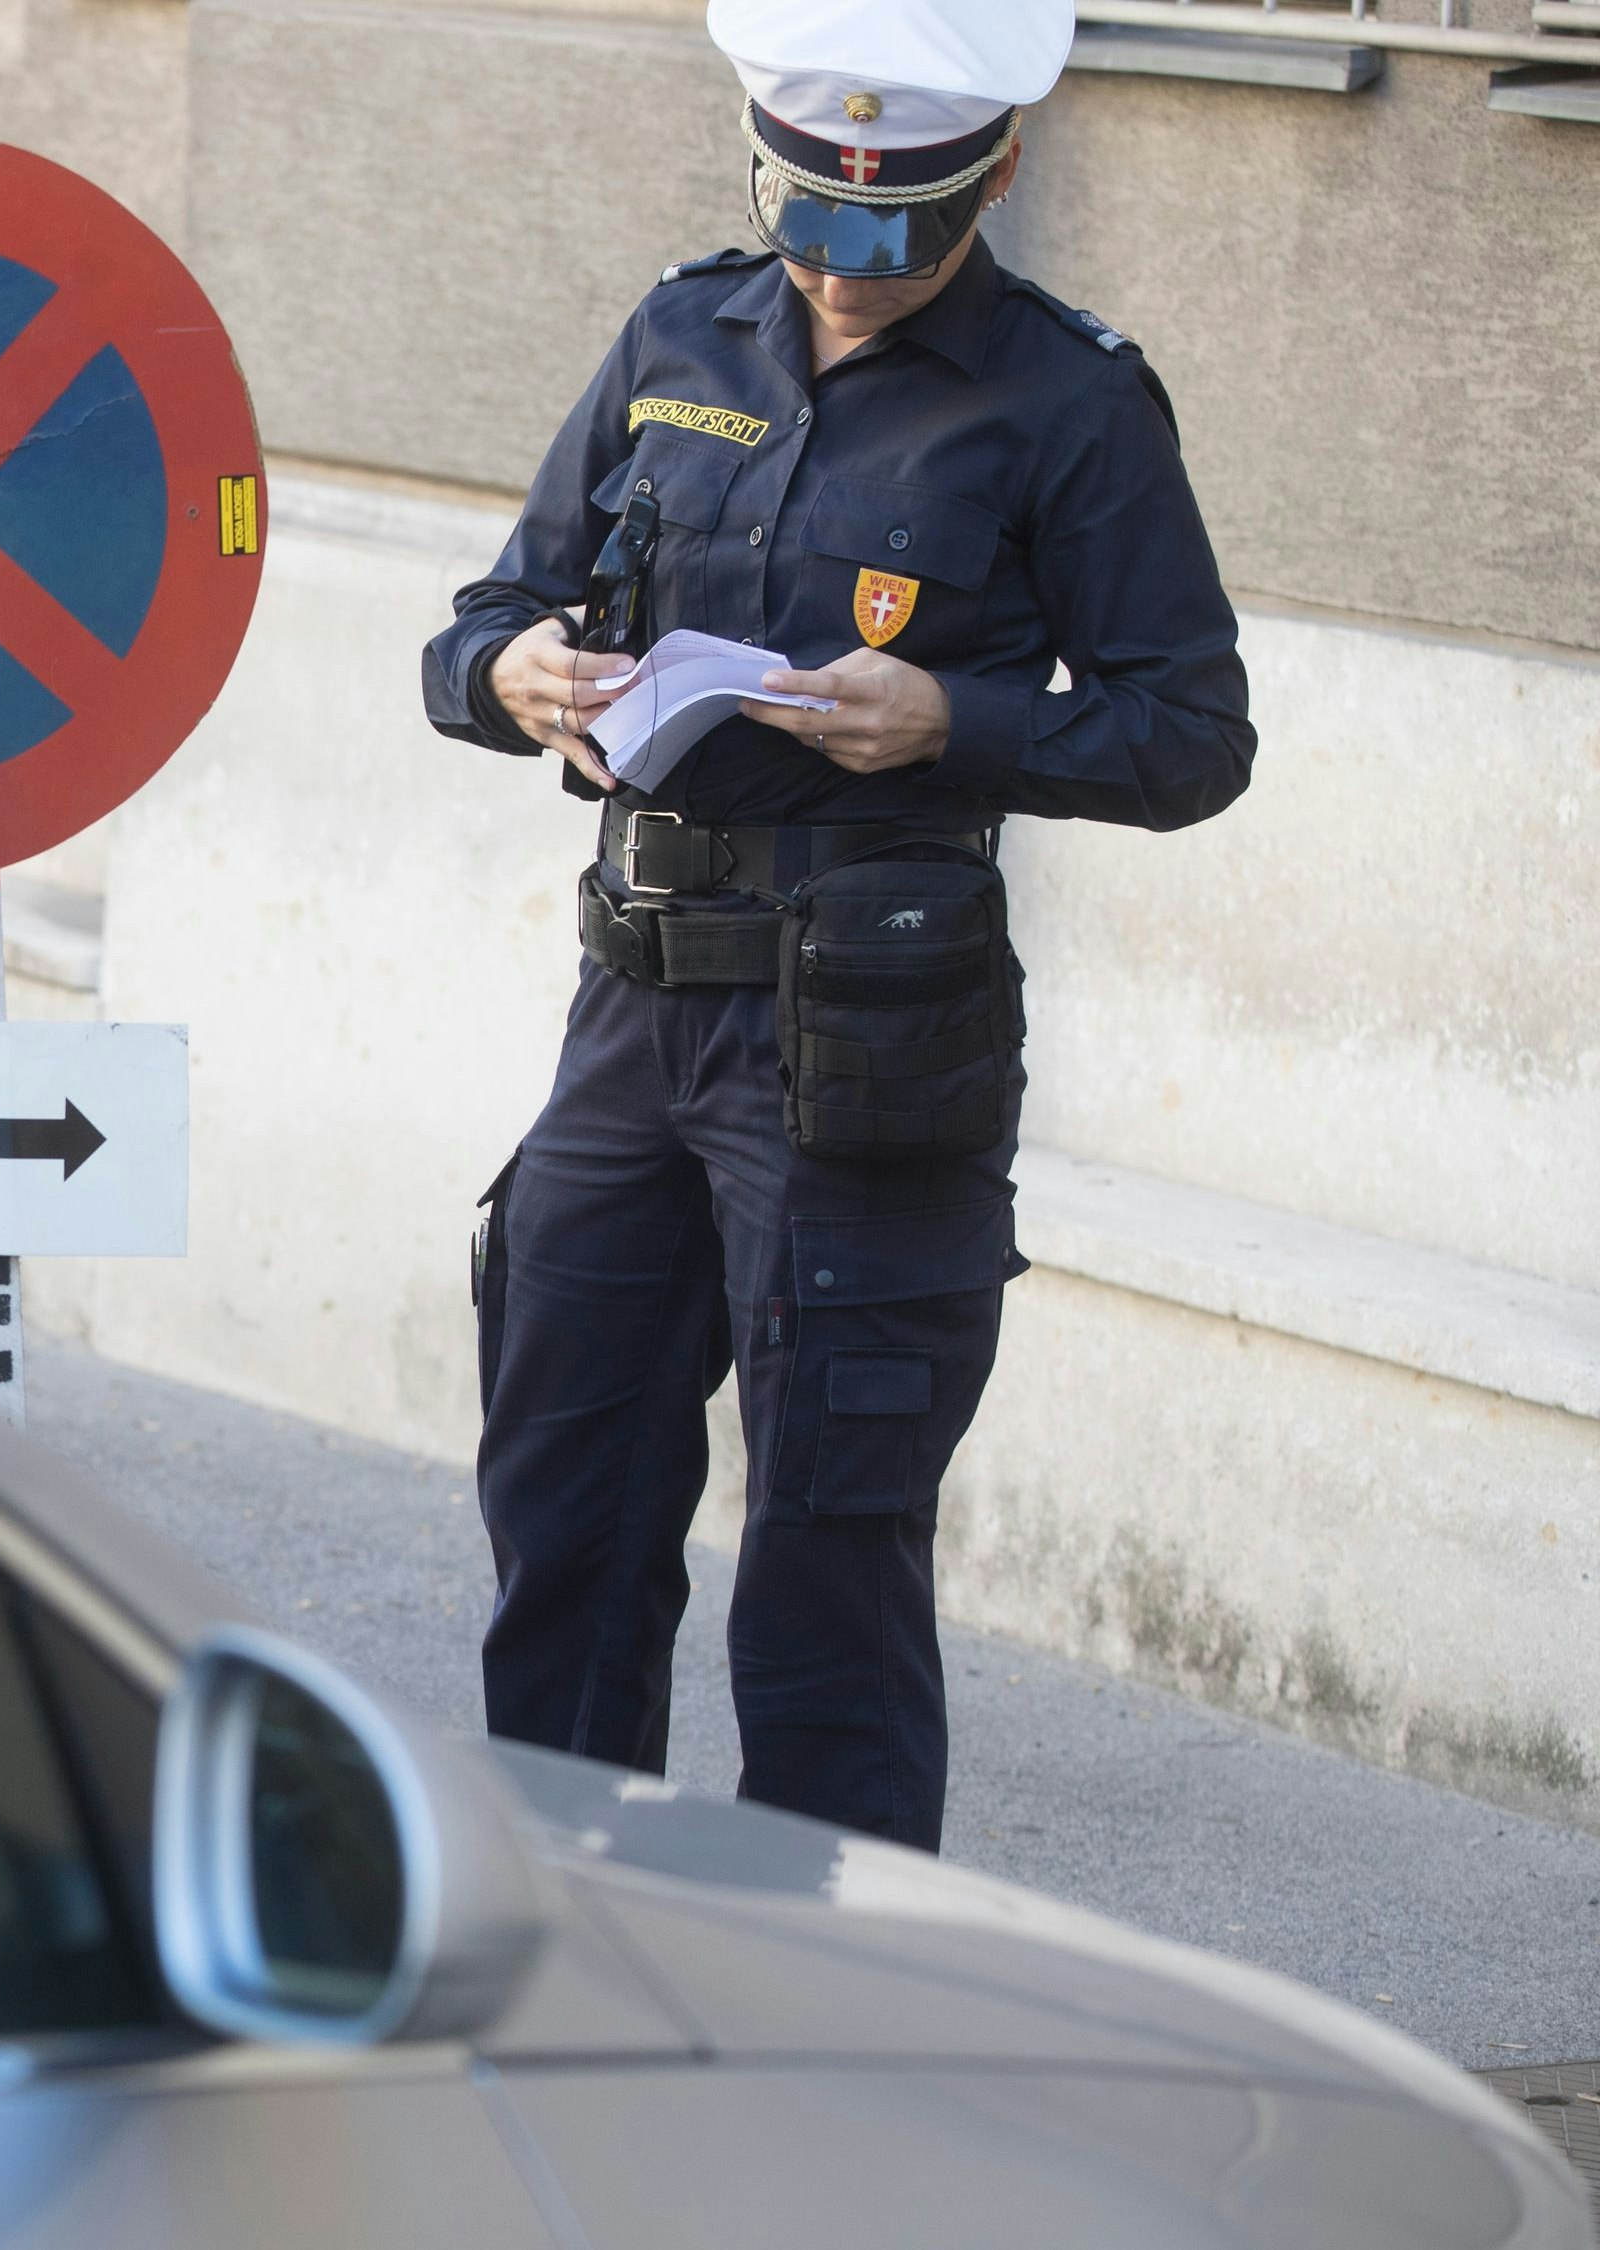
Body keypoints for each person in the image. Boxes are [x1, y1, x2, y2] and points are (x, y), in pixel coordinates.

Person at [417, 0, 1256, 1851]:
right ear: (763, 165)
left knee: (829, 1564)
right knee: (564, 1514)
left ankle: (836, 1986)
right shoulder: (679, 332)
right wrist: (514, 674)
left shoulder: (1069, 400)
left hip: (868, 1043)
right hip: (633, 1022)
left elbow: (1193, 735)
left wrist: (956, 720)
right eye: (811, 217)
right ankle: (563, 1929)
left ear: (997, 174)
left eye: (896, 230)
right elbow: (482, 620)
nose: (846, 267)